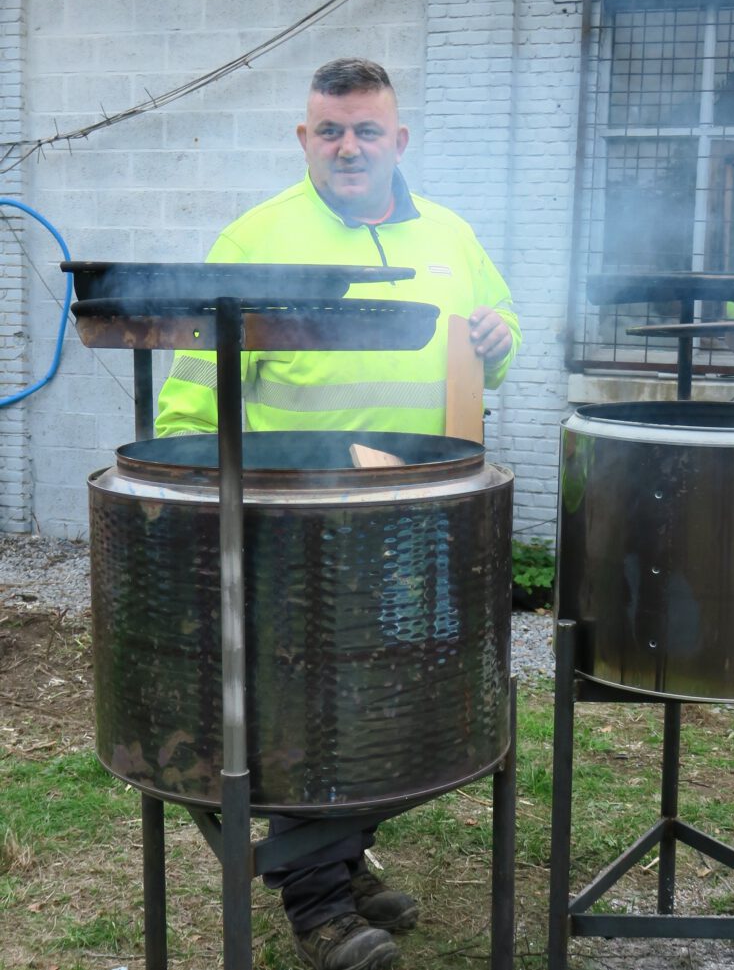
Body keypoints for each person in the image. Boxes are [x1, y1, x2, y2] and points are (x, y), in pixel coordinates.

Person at [156, 58, 520, 970]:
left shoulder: (452, 235)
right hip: (296, 523)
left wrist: (500, 338)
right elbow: (195, 397)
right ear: (305, 139)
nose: (349, 147)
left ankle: (337, 861)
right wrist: (199, 503)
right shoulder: (255, 240)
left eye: (367, 130)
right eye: (331, 130)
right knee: (311, 709)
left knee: (398, 699)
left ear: (399, 139)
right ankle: (319, 905)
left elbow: (494, 338)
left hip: (415, 517)